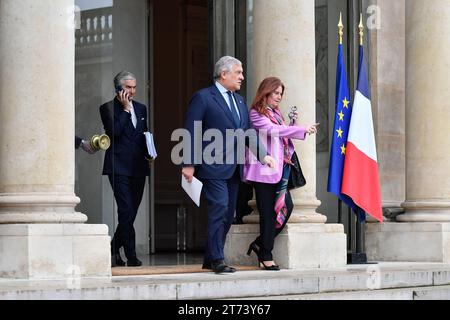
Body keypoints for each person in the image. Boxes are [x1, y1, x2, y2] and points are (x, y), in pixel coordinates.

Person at [182, 56, 275, 274]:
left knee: (228, 212)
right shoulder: (203, 98)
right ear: (224, 74)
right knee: (220, 208)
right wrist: (189, 163)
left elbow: (248, 133)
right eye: (238, 72)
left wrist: (264, 156)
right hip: (211, 165)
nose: (242, 77)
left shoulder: (240, 101)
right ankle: (217, 259)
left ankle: (210, 257)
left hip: (234, 168)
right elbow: (191, 130)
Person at [243, 77, 319, 271]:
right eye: (275, 93)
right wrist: (300, 129)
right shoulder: (256, 113)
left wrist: (292, 122)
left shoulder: (276, 114)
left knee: (286, 208)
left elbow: (282, 137)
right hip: (263, 171)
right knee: (268, 213)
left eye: (280, 93)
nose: (279, 97)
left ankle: (261, 244)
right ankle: (266, 254)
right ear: (265, 93)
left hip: (279, 170)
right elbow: (273, 131)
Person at [100, 71, 150, 267]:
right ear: (118, 88)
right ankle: (131, 255)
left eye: (134, 87)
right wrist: (126, 109)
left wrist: (150, 151)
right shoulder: (107, 108)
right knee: (125, 210)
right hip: (118, 167)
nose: (132, 91)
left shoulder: (142, 108)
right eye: (128, 87)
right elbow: (115, 132)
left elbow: (145, 134)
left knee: (131, 212)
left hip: (139, 166)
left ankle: (112, 248)